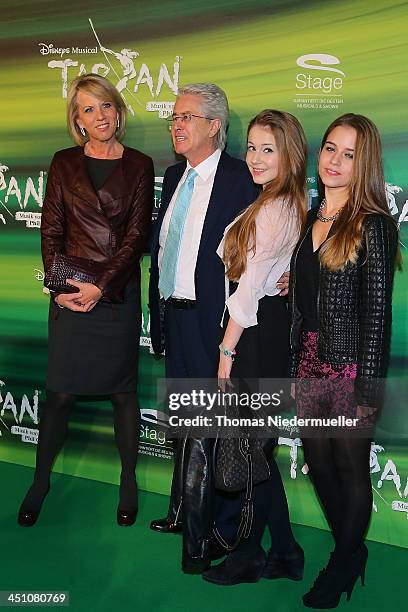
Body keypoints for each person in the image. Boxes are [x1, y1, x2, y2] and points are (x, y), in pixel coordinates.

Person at [17, 74, 154, 528]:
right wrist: (64, 290)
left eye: (106, 106)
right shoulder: (62, 163)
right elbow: (51, 231)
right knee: (58, 395)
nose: (100, 116)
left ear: (118, 110)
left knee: (122, 393)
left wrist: (103, 287)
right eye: (88, 110)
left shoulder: (139, 164)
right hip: (72, 292)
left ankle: (129, 481)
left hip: (114, 295)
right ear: (77, 120)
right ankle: (40, 481)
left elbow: (136, 236)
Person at [148, 83, 261, 573]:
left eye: (187, 117)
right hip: (176, 315)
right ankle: (181, 512)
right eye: (173, 117)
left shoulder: (241, 179)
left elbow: (261, 252)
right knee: (186, 424)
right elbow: (162, 250)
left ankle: (203, 538)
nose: (176, 124)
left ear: (215, 126)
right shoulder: (174, 175)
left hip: (215, 325)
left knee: (209, 429)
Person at [289, 113, 399, 608]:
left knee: (350, 468)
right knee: (317, 461)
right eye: (330, 148)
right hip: (311, 358)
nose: (334, 160)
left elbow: (377, 315)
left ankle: (342, 562)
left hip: (350, 363)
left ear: (365, 163)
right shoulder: (312, 218)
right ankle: (351, 551)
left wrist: (367, 386)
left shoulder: (373, 225)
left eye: (349, 154)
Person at [202, 110, 307, 585]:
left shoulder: (278, 207)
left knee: (252, 455)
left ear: (290, 155)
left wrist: (226, 349)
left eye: (269, 149)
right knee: (257, 454)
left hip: (256, 339)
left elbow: (247, 291)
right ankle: (284, 552)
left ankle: (249, 555)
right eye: (251, 147)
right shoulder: (275, 203)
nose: (256, 158)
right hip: (262, 333)